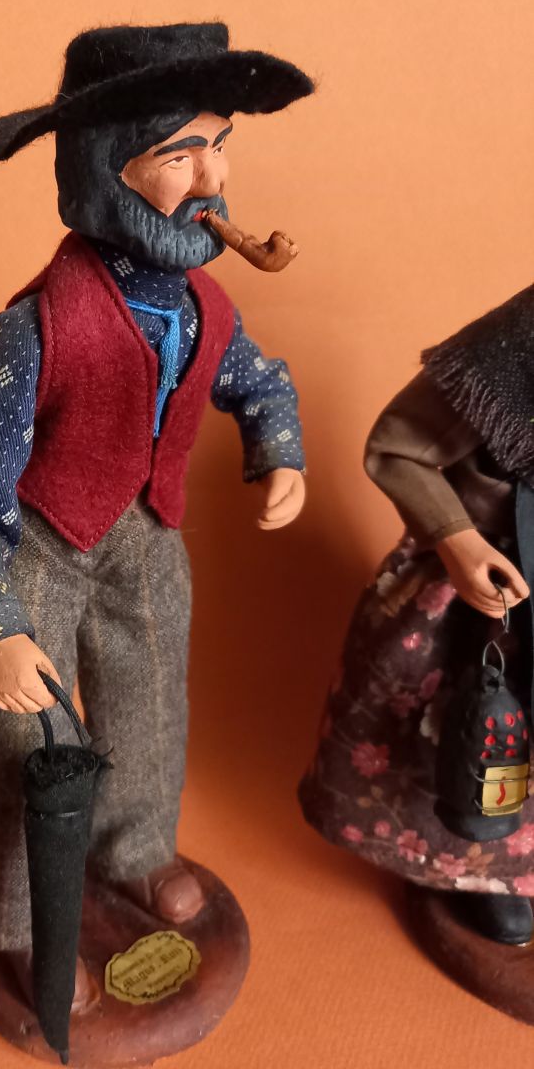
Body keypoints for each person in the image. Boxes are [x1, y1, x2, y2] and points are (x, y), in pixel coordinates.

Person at [0, 23, 313, 1005]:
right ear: (110, 168)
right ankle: (21, 922)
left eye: (220, 146)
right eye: (180, 154)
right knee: (33, 747)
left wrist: (279, 451)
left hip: (148, 537)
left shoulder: (208, 310)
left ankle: (136, 851)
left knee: (150, 711)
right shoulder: (37, 327)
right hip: (40, 546)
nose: (213, 179)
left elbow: (260, 381)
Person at [300, 284, 534, 951]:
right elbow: (397, 445)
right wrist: (457, 542)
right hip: (492, 598)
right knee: (466, 743)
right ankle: (475, 872)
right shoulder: (519, 347)